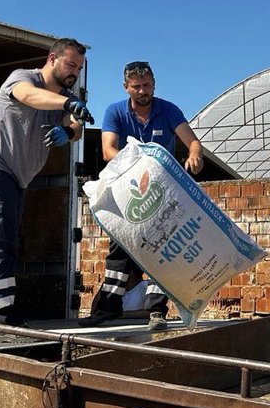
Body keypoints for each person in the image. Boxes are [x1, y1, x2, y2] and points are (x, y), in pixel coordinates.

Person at [0, 38, 89, 330]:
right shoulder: (23, 78)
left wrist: (69, 132)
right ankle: (3, 317)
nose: (75, 72)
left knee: (1, 238)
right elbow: (29, 96)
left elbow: (77, 124)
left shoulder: (64, 95)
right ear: (52, 58)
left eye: (79, 68)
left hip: (16, 178)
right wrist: (68, 103)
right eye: (71, 64)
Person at [81, 60, 205, 331]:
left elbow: (193, 142)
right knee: (119, 250)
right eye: (136, 86)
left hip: (163, 193)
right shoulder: (115, 112)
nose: (142, 91)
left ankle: (157, 311)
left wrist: (195, 155)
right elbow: (108, 151)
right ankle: (107, 309)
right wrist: (141, 167)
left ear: (154, 85)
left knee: (164, 250)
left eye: (146, 85)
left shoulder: (168, 110)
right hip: (128, 193)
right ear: (126, 87)